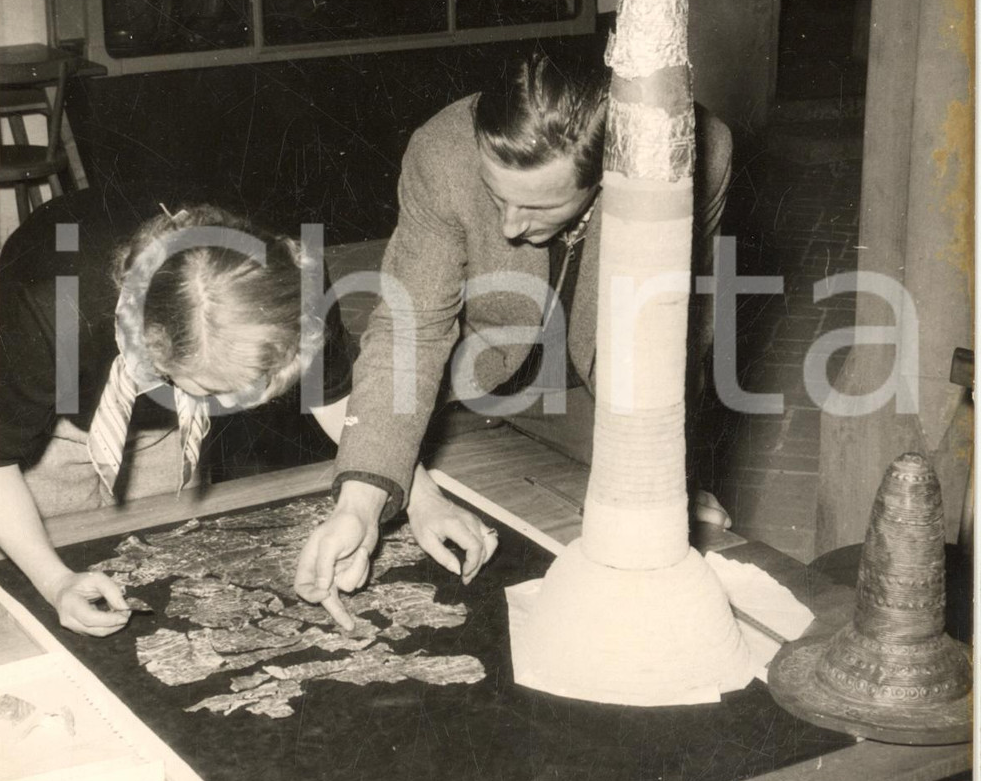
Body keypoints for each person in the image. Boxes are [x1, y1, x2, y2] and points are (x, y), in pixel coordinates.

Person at [296, 41, 733, 617]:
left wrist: (663, 480)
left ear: (602, 181)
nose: (507, 226)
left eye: (536, 209)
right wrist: (359, 502)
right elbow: (413, 330)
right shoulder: (443, 154)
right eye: (497, 197)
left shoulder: (691, 154)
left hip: (595, 384)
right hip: (469, 384)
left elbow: (668, 331)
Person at [0, 190, 363, 636]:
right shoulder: (49, 314)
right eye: (216, 391)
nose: (238, 409)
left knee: (168, 559)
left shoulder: (295, 287)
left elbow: (339, 398)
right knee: (43, 579)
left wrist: (413, 492)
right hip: (49, 408)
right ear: (154, 349)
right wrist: (56, 583)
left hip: (158, 378)